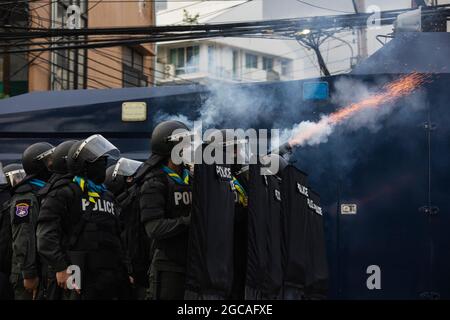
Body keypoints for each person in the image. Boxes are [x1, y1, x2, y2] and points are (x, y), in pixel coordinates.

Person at [36, 134, 130, 300]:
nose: (104, 164)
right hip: (78, 274)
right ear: (83, 165)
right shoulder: (64, 192)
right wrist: (61, 267)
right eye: (99, 161)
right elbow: (45, 236)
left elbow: (119, 236)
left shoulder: (107, 195)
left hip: (110, 276)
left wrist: (126, 270)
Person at [139, 120, 192, 300]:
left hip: (191, 263)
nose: (187, 148)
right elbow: (154, 228)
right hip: (167, 266)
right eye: (183, 143)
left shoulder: (190, 178)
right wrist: (188, 221)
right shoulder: (154, 182)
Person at [9, 142, 55, 300]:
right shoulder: (26, 198)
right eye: (49, 160)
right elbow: (24, 237)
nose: (53, 164)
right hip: (28, 275)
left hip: (42, 271)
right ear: (38, 165)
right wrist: (29, 274)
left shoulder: (44, 191)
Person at [104, 157, 151, 300]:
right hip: (134, 274)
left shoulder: (122, 205)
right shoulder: (126, 207)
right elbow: (129, 242)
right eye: (129, 178)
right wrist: (130, 271)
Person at [37, 140, 78, 300]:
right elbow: (45, 236)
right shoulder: (59, 193)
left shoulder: (75, 189)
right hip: (62, 267)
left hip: (76, 264)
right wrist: (61, 267)